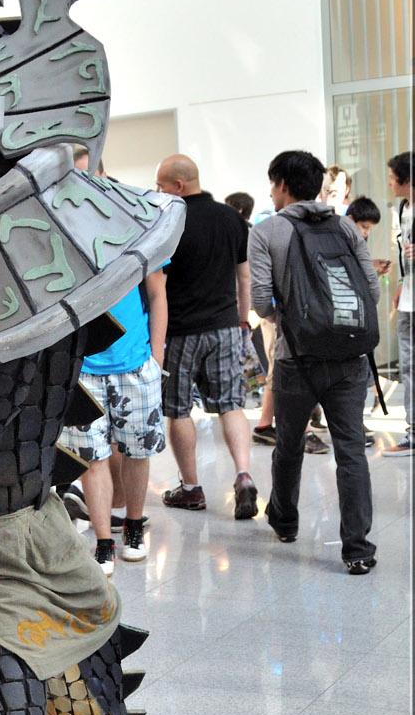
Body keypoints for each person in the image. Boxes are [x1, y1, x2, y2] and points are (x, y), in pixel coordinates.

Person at [249, 149, 380, 574]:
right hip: (350, 358)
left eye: (272, 185)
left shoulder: (267, 231)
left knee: (289, 445)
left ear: (283, 185)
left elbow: (260, 301)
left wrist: (294, 322)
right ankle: (357, 549)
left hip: (296, 360)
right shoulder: (345, 226)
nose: (271, 192)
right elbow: (372, 291)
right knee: (351, 451)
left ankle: (285, 521)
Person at [154, 153, 258, 518]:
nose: (158, 192)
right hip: (226, 326)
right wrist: (242, 320)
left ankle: (191, 488)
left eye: (161, 186)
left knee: (178, 409)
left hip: (182, 331)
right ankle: (243, 475)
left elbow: (158, 285)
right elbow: (244, 277)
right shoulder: (232, 218)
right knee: (231, 405)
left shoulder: (170, 221)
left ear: (178, 185)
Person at [61, 268, 168, 574]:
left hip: (135, 362)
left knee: (138, 451)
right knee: (92, 458)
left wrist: (156, 358)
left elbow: (157, 292)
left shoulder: (137, 239)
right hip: (84, 367)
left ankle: (134, 525)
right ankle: (104, 541)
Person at [386, 151, 413, 454]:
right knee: (408, 364)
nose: (390, 183)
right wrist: (402, 283)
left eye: (393, 178)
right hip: (408, 299)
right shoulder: (403, 208)